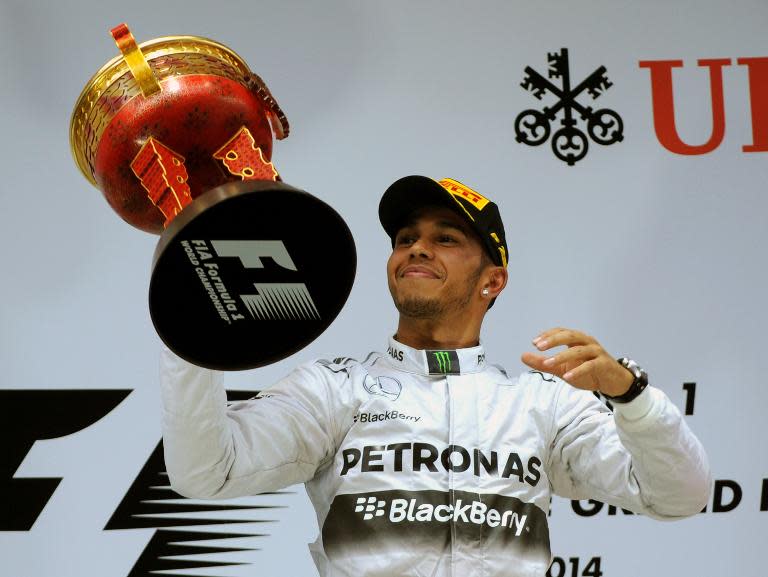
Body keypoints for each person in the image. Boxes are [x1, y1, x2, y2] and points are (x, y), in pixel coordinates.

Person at [161, 175, 711, 577]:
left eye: (446, 237)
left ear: (492, 281)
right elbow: (206, 472)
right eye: (405, 238)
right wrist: (192, 327)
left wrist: (631, 396)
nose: (416, 247)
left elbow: (680, 494)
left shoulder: (540, 403)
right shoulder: (333, 389)